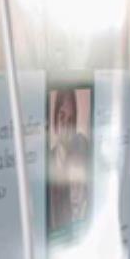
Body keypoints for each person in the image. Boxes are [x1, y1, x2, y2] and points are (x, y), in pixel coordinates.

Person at [48, 89, 90, 231]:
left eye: (71, 120)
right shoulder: (47, 160)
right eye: (62, 116)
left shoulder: (82, 152)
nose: (66, 126)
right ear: (54, 119)